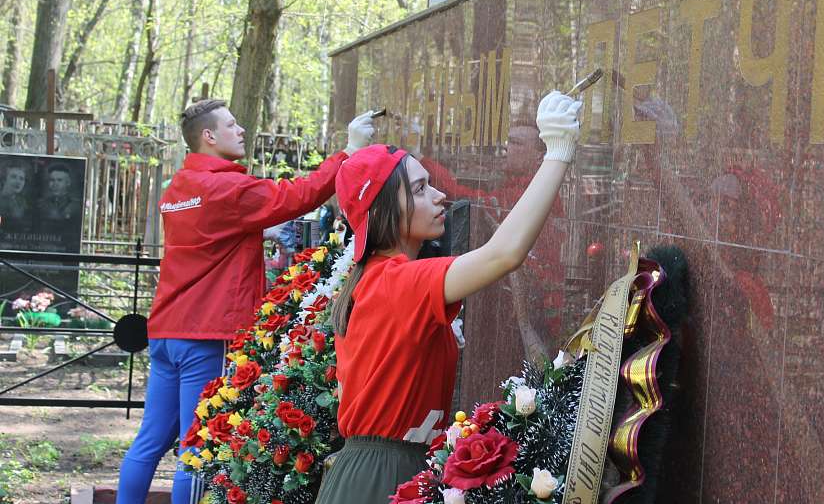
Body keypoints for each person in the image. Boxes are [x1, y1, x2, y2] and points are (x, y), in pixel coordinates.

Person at [316, 90, 582, 504]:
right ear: (386, 207)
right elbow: (504, 253)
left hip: (391, 468)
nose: (440, 196)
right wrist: (557, 151)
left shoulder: (379, 278)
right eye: (421, 189)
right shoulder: (396, 281)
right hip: (380, 477)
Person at [117, 100, 375, 504]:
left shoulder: (179, 187)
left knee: (149, 442)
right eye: (231, 125)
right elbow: (299, 195)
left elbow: (211, 238)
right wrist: (349, 152)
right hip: (207, 332)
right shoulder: (227, 188)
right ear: (209, 136)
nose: (241, 131)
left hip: (167, 329)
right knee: (197, 450)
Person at [0, 162, 29, 228]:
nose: (18, 182)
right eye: (13, 177)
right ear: (4, 179)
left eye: (21, 179)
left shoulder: (22, 202)